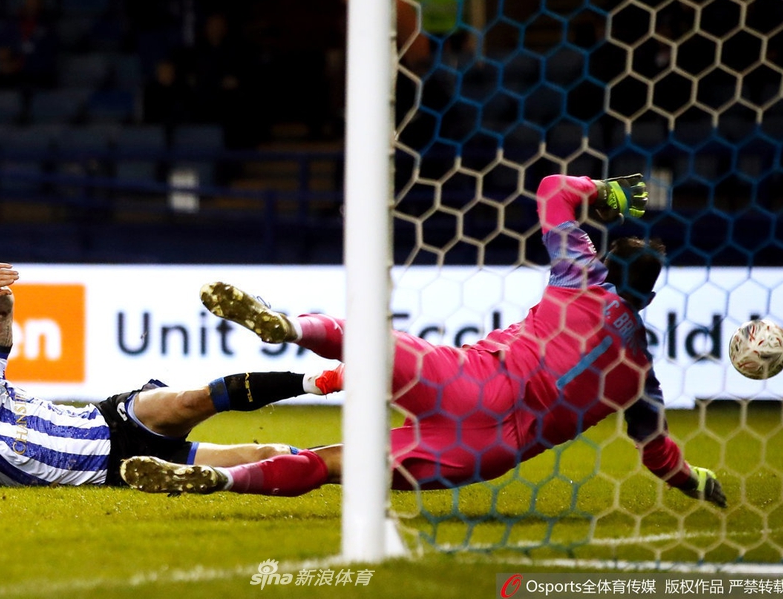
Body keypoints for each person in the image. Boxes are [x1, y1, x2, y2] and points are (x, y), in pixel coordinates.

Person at [120, 173, 727, 509]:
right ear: (649, 299)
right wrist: (693, 480)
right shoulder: (641, 373)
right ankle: (225, 484)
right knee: (335, 466)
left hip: (476, 380)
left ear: (605, 262)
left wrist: (609, 194)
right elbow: (656, 454)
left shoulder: (582, 277)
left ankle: (288, 328)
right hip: (489, 450)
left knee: (364, 340)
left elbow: (551, 189)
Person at [0, 263, 330, 490]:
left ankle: (321, 381)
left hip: (114, 418)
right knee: (266, 456)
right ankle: (346, 464)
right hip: (124, 467)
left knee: (192, 400)